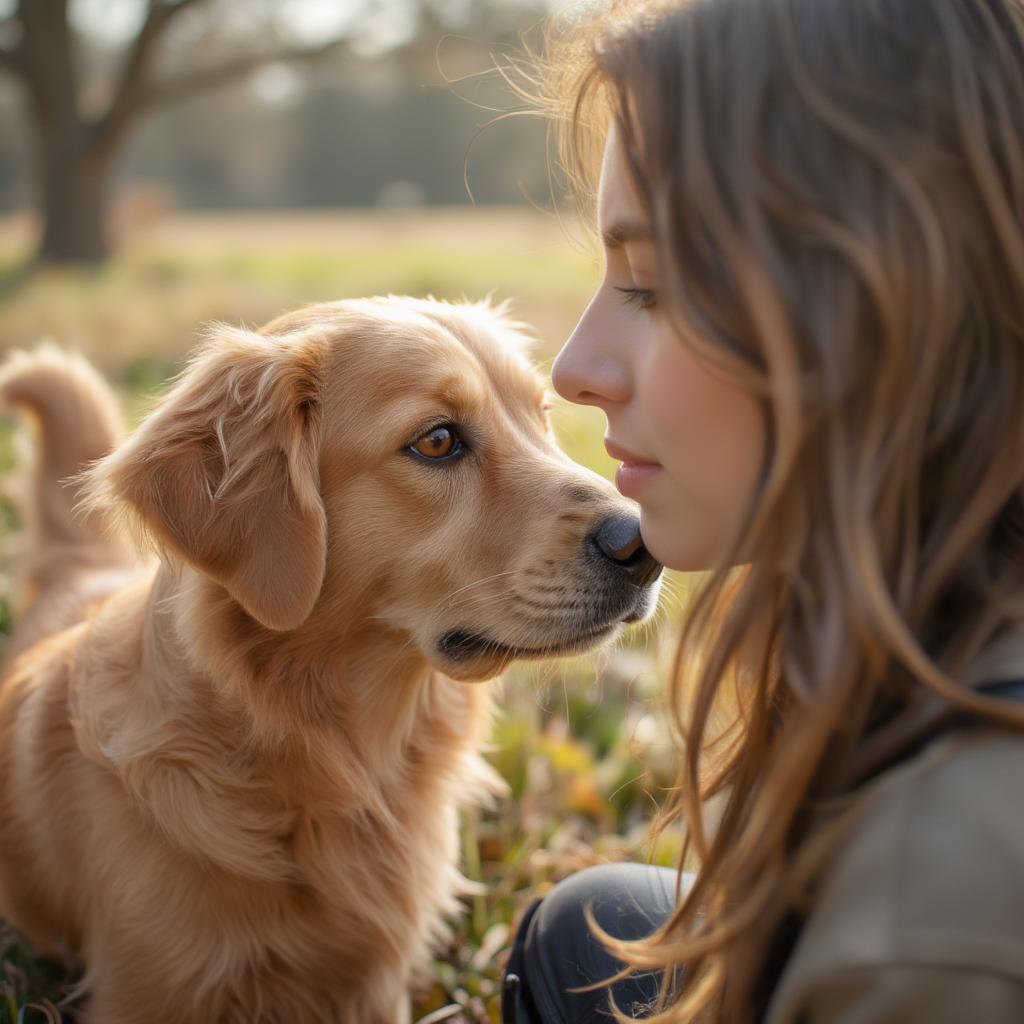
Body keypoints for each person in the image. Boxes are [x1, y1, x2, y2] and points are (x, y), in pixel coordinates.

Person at [501, 0, 1024, 1020]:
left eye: (650, 284)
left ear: (879, 309)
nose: (573, 371)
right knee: (589, 926)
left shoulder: (934, 910)